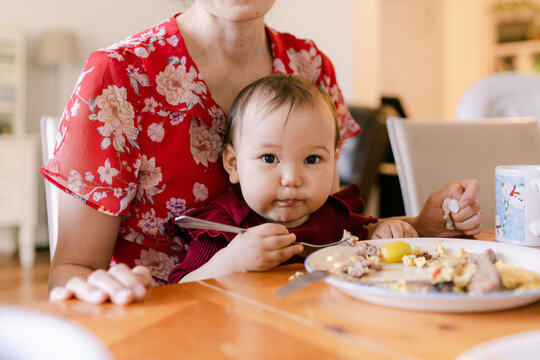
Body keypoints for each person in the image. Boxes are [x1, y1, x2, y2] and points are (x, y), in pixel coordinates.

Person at [43, 0, 482, 305]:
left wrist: (420, 226)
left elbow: (325, 224)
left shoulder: (309, 67)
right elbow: (71, 270)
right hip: (167, 325)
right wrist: (101, 288)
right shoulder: (120, 75)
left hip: (303, 316)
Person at [168, 74, 419, 283]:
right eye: (269, 158)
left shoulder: (336, 217)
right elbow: (180, 288)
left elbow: (369, 242)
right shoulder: (222, 226)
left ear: (334, 159)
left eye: (311, 160)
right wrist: (231, 261)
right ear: (233, 164)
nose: (291, 179)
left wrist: (384, 232)